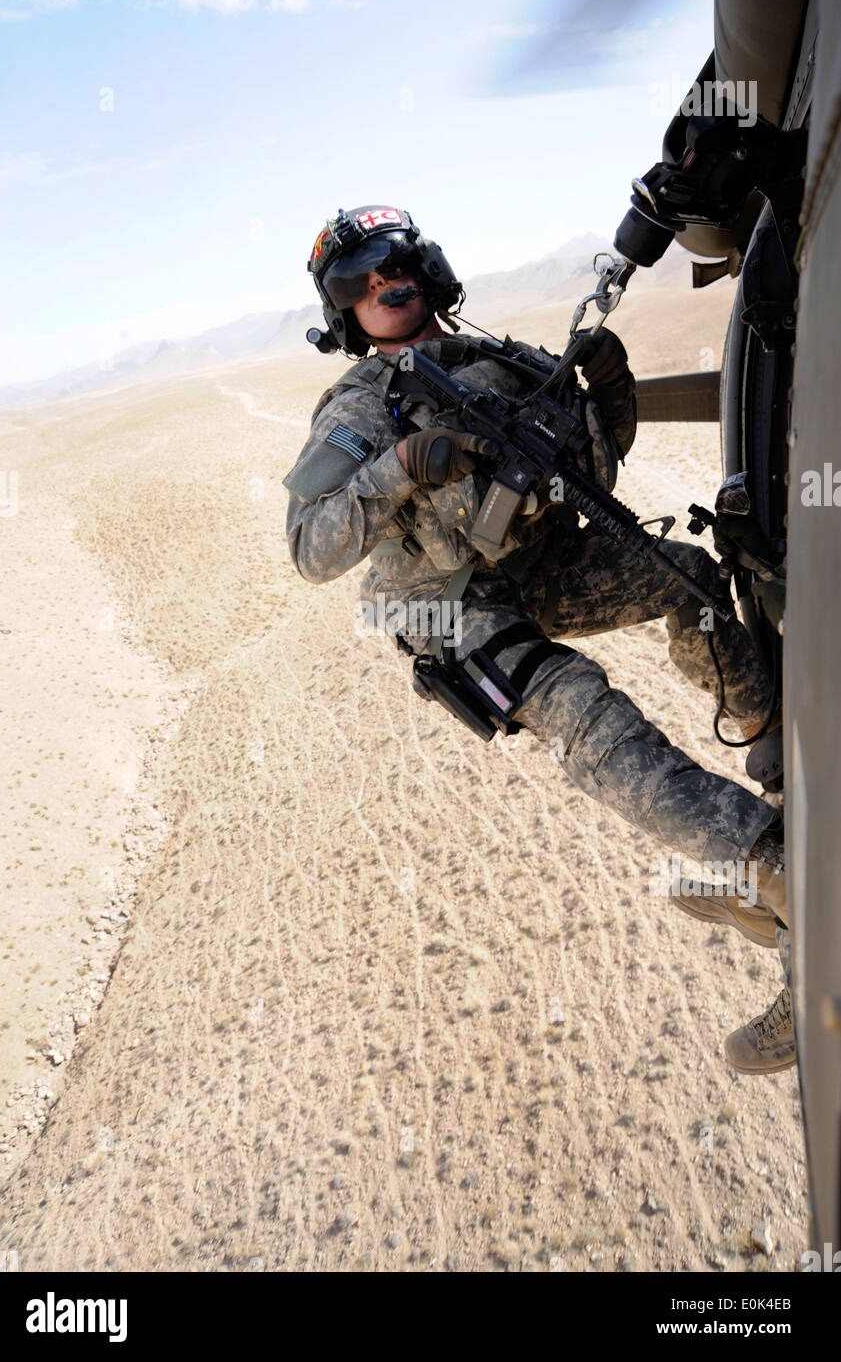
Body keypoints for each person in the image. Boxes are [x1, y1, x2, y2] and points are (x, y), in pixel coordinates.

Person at [283, 204, 794, 1075]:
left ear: (428, 267)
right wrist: (398, 469)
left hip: (534, 559)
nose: (383, 284)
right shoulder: (360, 406)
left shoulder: (503, 362)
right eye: (357, 283)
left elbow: (590, 474)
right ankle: (781, 876)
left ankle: (777, 756)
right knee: (579, 708)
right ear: (343, 312)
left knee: (687, 583)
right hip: (444, 602)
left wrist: (611, 392)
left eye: (392, 262)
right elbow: (309, 548)